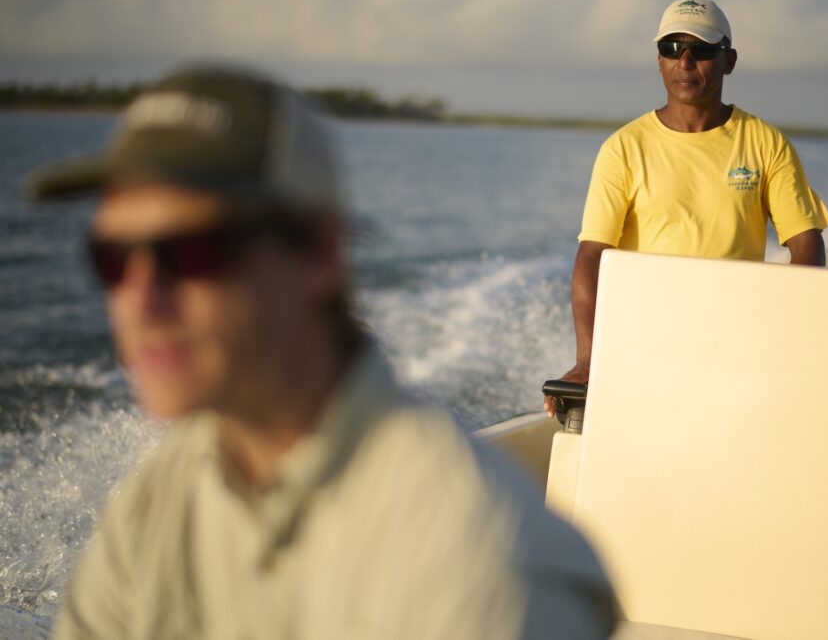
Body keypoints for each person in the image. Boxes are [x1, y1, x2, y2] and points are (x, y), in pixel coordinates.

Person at [27, 64, 617, 639]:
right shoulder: (161, 499)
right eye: (111, 259)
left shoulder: (483, 563)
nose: (140, 301)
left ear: (321, 254)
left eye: (194, 254)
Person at [545, 0, 828, 417]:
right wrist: (589, 360)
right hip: (642, 345)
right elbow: (591, 255)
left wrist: (784, 340)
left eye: (700, 50)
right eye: (671, 48)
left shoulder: (766, 143)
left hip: (736, 349)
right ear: (659, 60)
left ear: (728, 60)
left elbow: (806, 243)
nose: (684, 62)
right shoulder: (623, 148)